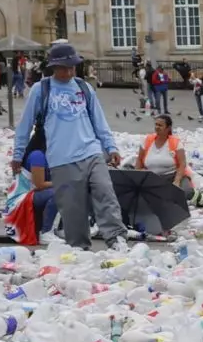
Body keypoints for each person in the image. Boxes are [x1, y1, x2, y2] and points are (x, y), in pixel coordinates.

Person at [11, 41, 125, 250]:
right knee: (73, 208)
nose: (69, 71)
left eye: (72, 66)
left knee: (105, 192)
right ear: (53, 67)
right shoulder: (41, 89)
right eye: (64, 67)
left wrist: (111, 147)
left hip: (91, 152)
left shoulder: (83, 87)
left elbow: (99, 121)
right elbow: (25, 124)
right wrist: (18, 154)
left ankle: (116, 238)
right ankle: (80, 246)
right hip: (61, 158)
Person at [132, 112, 194, 239]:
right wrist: (137, 175)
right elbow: (139, 161)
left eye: (160, 125)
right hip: (151, 177)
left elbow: (182, 164)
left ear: (168, 128)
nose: (157, 127)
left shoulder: (175, 142)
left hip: (171, 175)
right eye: (156, 125)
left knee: (186, 191)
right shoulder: (147, 140)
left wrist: (176, 181)